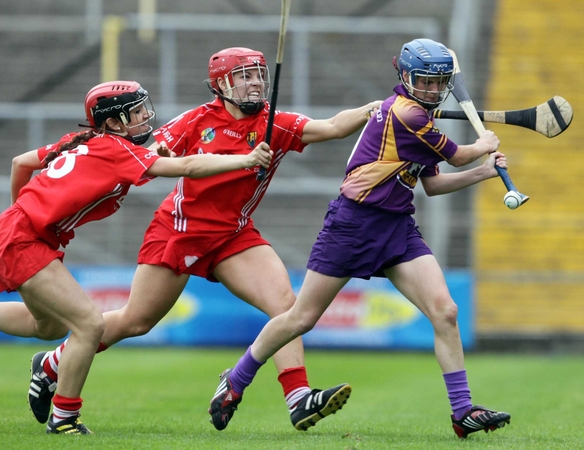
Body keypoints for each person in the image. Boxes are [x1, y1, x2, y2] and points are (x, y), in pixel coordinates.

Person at [24, 47, 383, 432]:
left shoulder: (275, 123)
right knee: (136, 321)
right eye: (244, 76)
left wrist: (373, 109)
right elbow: (149, 153)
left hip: (233, 234)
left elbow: (332, 127)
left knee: (285, 305)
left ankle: (298, 398)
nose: (255, 83)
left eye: (258, 74)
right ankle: (52, 364)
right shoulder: (197, 120)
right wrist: (160, 152)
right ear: (221, 84)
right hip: (179, 232)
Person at [0, 80, 272, 435]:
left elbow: (21, 163)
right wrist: (245, 159)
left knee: (48, 327)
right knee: (90, 325)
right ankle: (64, 418)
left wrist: (18, 210)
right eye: (135, 112)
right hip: (22, 238)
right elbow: (189, 168)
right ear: (113, 123)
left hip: (18, 232)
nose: (145, 117)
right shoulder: (118, 150)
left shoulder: (81, 140)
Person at [208, 38, 513, 438]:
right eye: (424, 81)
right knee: (301, 318)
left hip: (398, 227)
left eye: (439, 83)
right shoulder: (407, 115)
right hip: (354, 225)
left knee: (445, 311)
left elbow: (433, 185)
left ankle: (463, 412)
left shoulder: (421, 121)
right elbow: (457, 155)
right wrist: (483, 146)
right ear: (405, 77)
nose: (432, 90)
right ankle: (235, 380)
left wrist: (484, 172)